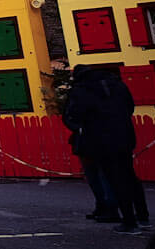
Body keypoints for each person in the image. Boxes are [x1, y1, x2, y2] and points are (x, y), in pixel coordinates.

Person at [63, 64, 149, 232]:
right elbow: (130, 107)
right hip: (124, 135)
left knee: (114, 178)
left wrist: (80, 127)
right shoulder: (118, 85)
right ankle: (143, 215)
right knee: (130, 176)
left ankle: (128, 221)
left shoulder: (81, 89)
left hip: (98, 139)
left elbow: (73, 114)